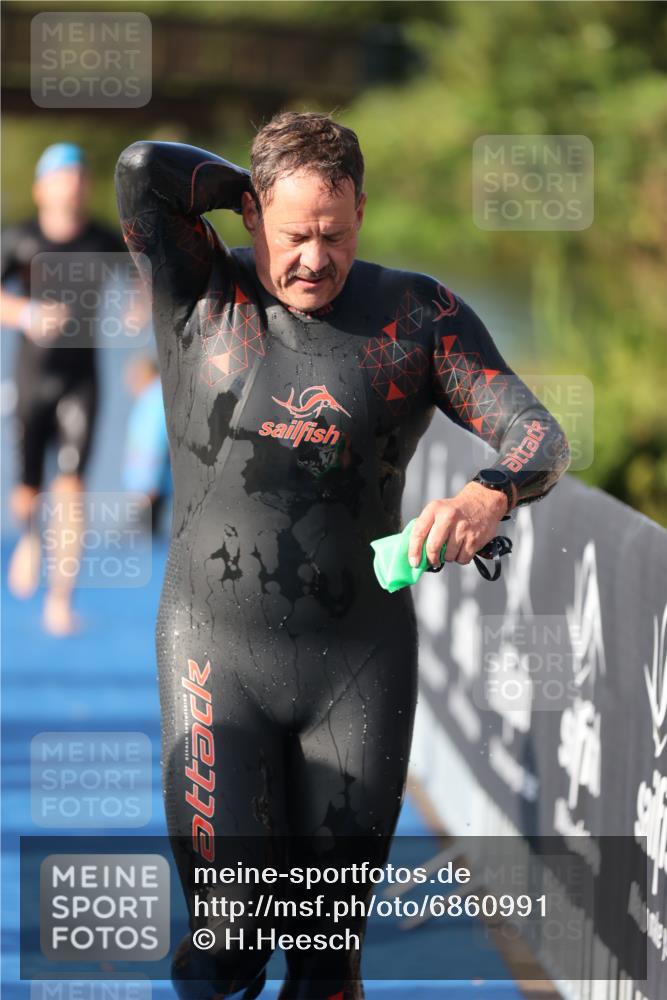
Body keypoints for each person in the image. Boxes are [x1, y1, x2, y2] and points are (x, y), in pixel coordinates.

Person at [114, 112, 570, 1000]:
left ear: (362, 209)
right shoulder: (201, 290)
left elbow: (538, 434)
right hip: (217, 657)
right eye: (292, 235)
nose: (314, 260)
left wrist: (488, 492)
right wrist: (236, 188)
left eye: (334, 233)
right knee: (233, 939)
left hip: (357, 668)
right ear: (251, 216)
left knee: (325, 964)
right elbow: (142, 170)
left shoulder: (417, 317)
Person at [1, 143, 125, 635]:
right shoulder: (20, 239)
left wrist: (141, 303)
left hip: (81, 378)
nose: (71, 184)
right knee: (29, 488)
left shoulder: (101, 239)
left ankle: (60, 600)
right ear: (41, 187)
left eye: (78, 175)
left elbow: (143, 278)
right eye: (61, 176)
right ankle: (30, 536)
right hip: (32, 377)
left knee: (72, 489)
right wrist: (27, 314)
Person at [122, 355, 172, 535]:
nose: (129, 384)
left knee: (148, 541)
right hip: (152, 485)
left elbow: (153, 442)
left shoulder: (154, 399)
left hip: (151, 487)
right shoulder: (153, 397)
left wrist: (147, 483)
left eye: (132, 377)